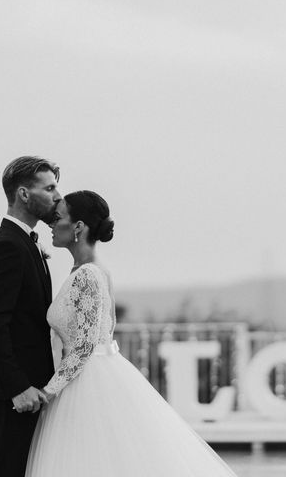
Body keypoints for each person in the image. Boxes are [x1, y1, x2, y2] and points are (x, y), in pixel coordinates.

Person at [25, 190, 238, 477]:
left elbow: (86, 345)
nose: (51, 223)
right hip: (89, 375)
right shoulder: (87, 270)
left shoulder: (88, 275)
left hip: (86, 381)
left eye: (58, 217)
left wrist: (49, 390)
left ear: (78, 227)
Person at [0, 157, 61, 477]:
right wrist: (17, 387)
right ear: (23, 194)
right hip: (10, 390)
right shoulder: (6, 245)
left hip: (28, 385)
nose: (57, 196)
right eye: (49, 188)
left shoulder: (26, 242)